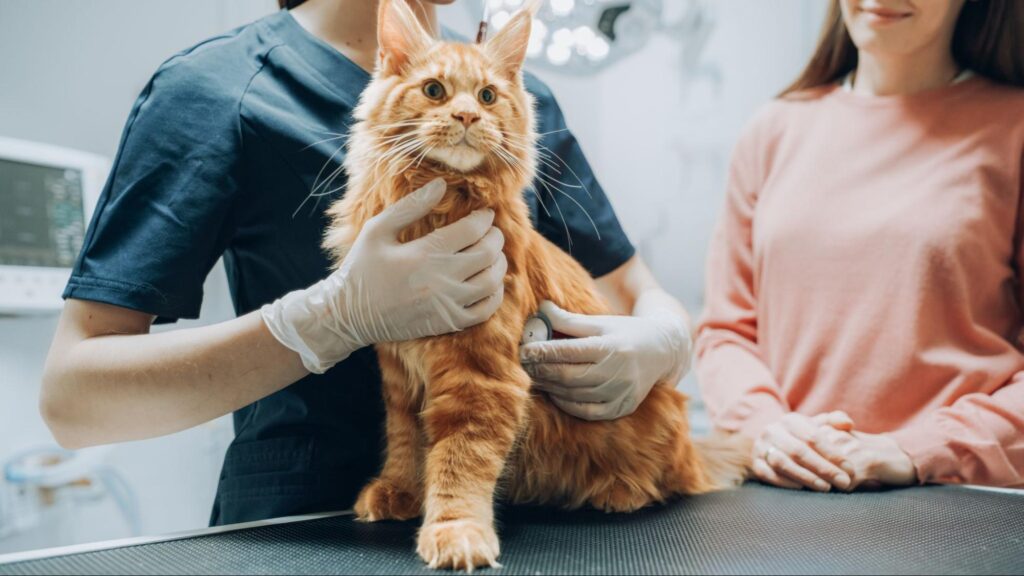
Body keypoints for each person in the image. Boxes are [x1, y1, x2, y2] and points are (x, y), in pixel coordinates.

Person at [40, 0, 693, 526]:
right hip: (306, 529)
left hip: (536, 526)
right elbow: (75, 400)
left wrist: (665, 338)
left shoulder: (518, 98)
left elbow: (635, 289)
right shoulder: (215, 90)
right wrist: (327, 320)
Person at [697, 0, 1024, 492]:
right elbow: (726, 331)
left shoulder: (1013, 129)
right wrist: (767, 429)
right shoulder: (773, 131)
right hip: (783, 498)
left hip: (954, 505)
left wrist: (919, 449)